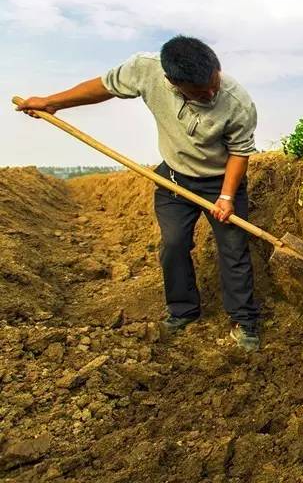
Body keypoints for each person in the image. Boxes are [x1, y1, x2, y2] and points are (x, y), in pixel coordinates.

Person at [16, 35, 262, 352]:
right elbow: (104, 86)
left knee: (234, 249)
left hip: (220, 180)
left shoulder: (237, 102)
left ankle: (245, 322)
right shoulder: (145, 70)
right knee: (173, 246)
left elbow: (239, 153)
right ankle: (183, 311)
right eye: (201, 92)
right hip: (174, 179)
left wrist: (227, 197)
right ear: (173, 83)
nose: (212, 93)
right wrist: (53, 102)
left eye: (214, 83)